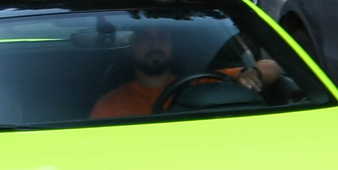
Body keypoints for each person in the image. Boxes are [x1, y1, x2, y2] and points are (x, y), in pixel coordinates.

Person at [89, 21, 281, 119]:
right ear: (131, 48)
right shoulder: (111, 105)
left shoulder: (203, 84)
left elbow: (272, 67)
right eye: (144, 37)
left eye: (162, 36)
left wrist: (252, 74)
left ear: (172, 45)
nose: (155, 44)